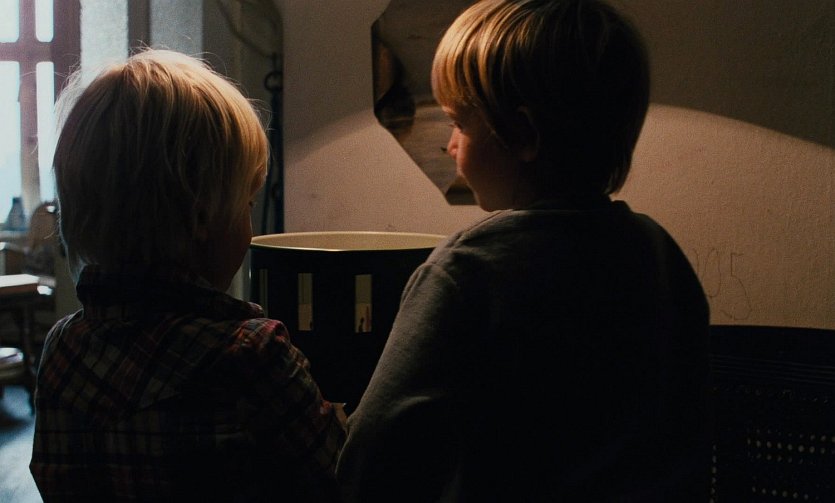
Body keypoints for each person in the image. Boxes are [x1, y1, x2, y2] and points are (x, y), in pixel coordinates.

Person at [337, 0, 711, 501]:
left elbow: (375, 459)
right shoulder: (658, 252)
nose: (451, 146)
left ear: (523, 134)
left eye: (459, 123)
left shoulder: (470, 269)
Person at [30, 49, 346, 502]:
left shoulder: (63, 348)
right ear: (201, 215)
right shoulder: (251, 354)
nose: (250, 227)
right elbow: (342, 477)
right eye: (247, 204)